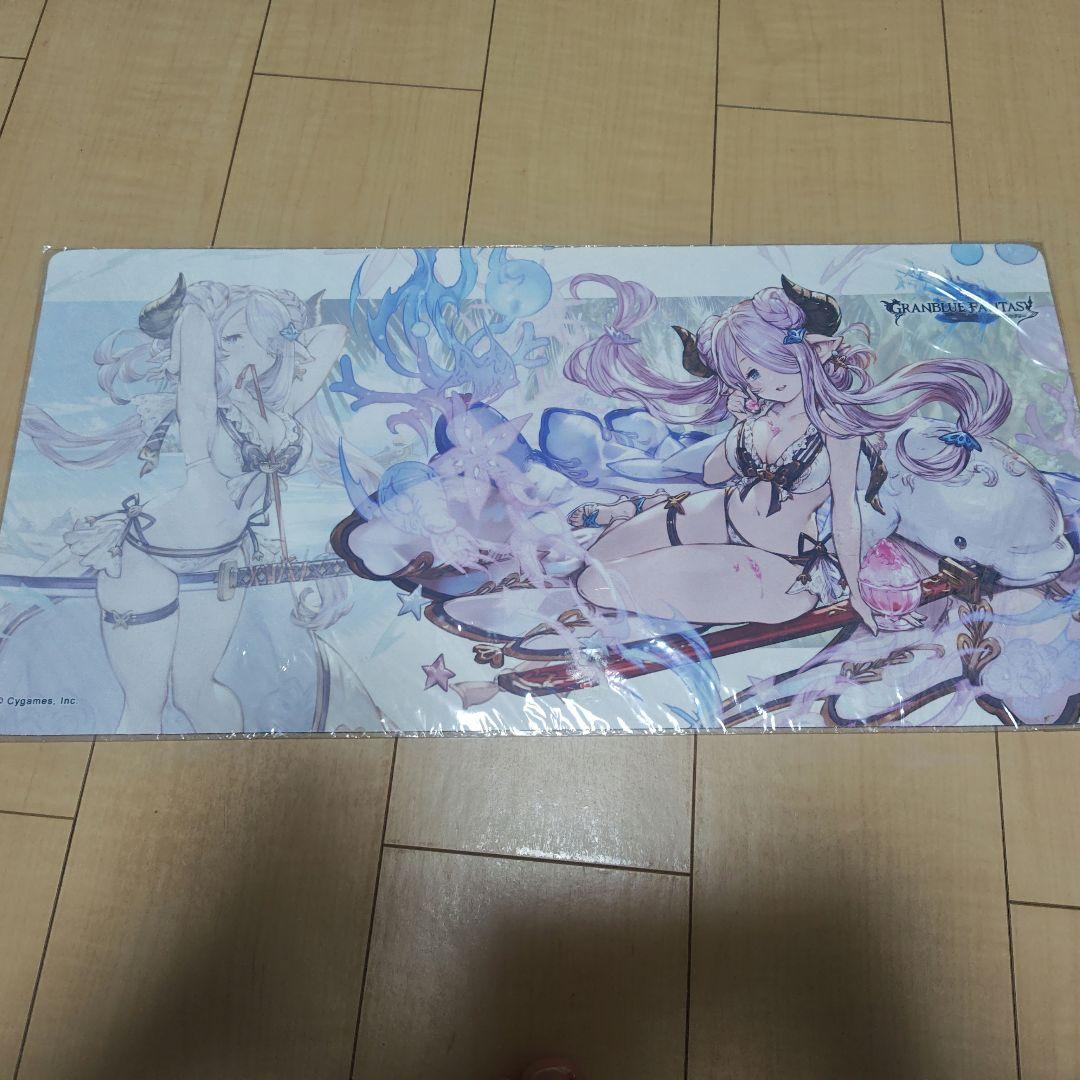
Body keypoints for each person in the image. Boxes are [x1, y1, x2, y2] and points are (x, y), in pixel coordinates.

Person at [565, 275, 1011, 631]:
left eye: (754, 371)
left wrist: (856, 591)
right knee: (593, 562)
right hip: (713, 512)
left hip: (775, 561)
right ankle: (631, 514)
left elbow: (846, 513)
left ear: (802, 355)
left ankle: (645, 527)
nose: (750, 385)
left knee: (595, 583)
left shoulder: (836, 427)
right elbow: (713, 474)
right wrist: (739, 422)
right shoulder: (757, 412)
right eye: (742, 377)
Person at [22, 276, 349, 733]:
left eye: (233, 338)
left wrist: (275, 329)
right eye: (217, 339)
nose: (220, 350)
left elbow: (333, 335)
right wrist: (197, 311)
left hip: (222, 560)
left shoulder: (281, 405)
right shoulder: (204, 409)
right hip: (148, 558)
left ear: (270, 338)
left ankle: (234, 764)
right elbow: (197, 369)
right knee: (146, 705)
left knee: (196, 693)